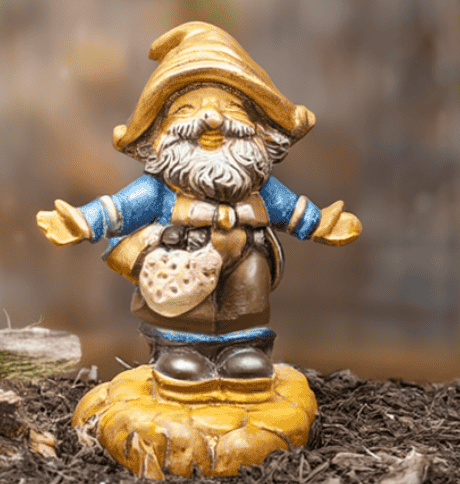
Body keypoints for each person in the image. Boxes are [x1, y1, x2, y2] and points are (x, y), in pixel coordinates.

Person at [37, 22, 360, 382]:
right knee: (186, 310)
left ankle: (243, 350)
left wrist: (321, 224)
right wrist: (81, 221)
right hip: (181, 258)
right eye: (187, 108)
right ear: (159, 132)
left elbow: (291, 208)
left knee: (248, 300)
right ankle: (180, 351)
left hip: (248, 251)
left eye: (231, 106)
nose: (212, 118)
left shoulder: (261, 188)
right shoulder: (158, 190)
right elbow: (121, 207)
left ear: (258, 125)